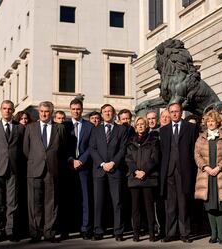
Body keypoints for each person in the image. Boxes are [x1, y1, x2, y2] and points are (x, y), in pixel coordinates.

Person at [23, 101, 67, 243]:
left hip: (53, 170)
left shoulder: (59, 128)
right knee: (34, 203)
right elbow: (26, 150)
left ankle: (49, 233)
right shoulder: (30, 128)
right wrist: (36, 160)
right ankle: (35, 233)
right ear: (38, 112)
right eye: (41, 111)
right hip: (34, 169)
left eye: (47, 111)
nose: (43, 114)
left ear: (51, 112)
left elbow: (63, 150)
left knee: (51, 203)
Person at [194, 110, 222, 244]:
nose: (211, 123)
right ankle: (213, 234)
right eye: (208, 121)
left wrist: (219, 167)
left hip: (220, 175)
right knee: (210, 206)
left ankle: (221, 235)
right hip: (206, 175)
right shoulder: (201, 138)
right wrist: (205, 167)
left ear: (218, 122)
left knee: (220, 205)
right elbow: (197, 155)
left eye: (213, 121)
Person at [89, 104, 128, 241]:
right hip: (99, 170)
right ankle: (98, 231)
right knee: (98, 202)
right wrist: (102, 164)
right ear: (101, 113)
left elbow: (123, 149)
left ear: (114, 113)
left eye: (110, 111)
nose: (107, 113)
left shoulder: (121, 129)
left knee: (117, 202)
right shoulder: (95, 130)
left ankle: (118, 232)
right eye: (105, 111)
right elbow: (92, 149)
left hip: (115, 170)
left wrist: (113, 163)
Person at [159, 103, 197, 243]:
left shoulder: (191, 128)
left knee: (183, 204)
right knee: (170, 205)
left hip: (184, 171)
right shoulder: (164, 130)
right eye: (172, 112)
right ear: (169, 113)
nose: (174, 114)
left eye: (177, 111)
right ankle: (170, 233)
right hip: (169, 171)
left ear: (181, 112)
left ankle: (185, 233)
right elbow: (163, 152)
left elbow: (194, 150)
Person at [0, 100, 25, 242]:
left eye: (10, 109)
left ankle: (11, 230)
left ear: (13, 111)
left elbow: (23, 150)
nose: (7, 111)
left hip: (14, 170)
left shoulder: (20, 128)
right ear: (0, 109)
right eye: (4, 108)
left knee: (12, 202)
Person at [63, 98, 94, 240]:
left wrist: (81, 160)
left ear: (82, 110)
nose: (76, 111)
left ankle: (85, 228)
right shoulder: (63, 126)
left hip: (84, 167)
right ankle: (66, 228)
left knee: (85, 198)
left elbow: (92, 146)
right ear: (70, 110)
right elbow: (60, 146)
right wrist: (70, 160)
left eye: (78, 109)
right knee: (67, 198)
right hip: (68, 167)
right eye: (73, 109)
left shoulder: (89, 126)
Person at [125, 116, 159, 242]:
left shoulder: (153, 140)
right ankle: (136, 233)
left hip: (148, 178)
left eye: (142, 124)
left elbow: (154, 158)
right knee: (135, 208)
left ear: (146, 126)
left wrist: (144, 171)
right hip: (134, 179)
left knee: (149, 207)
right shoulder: (130, 141)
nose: (140, 126)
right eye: (138, 124)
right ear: (135, 126)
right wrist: (136, 171)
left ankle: (151, 233)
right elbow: (128, 158)